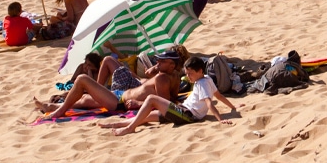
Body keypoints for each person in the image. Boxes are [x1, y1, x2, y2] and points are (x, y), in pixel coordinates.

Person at [101, 56, 236, 135]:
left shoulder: (202, 84)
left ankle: (130, 128)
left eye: (190, 74)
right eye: (186, 73)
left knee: (151, 99)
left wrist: (220, 119)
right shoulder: (207, 78)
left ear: (200, 71)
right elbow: (219, 96)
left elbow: (209, 102)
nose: (188, 77)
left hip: (187, 115)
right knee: (146, 117)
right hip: (182, 111)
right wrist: (233, 107)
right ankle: (119, 123)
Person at [34, 51, 180, 121]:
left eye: (162, 61)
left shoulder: (162, 78)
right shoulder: (174, 76)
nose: (157, 63)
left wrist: (139, 103)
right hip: (120, 96)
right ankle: (51, 107)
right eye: (158, 60)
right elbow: (172, 98)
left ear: (172, 64)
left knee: (81, 78)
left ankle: (59, 111)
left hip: (120, 102)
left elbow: (164, 104)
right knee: (85, 100)